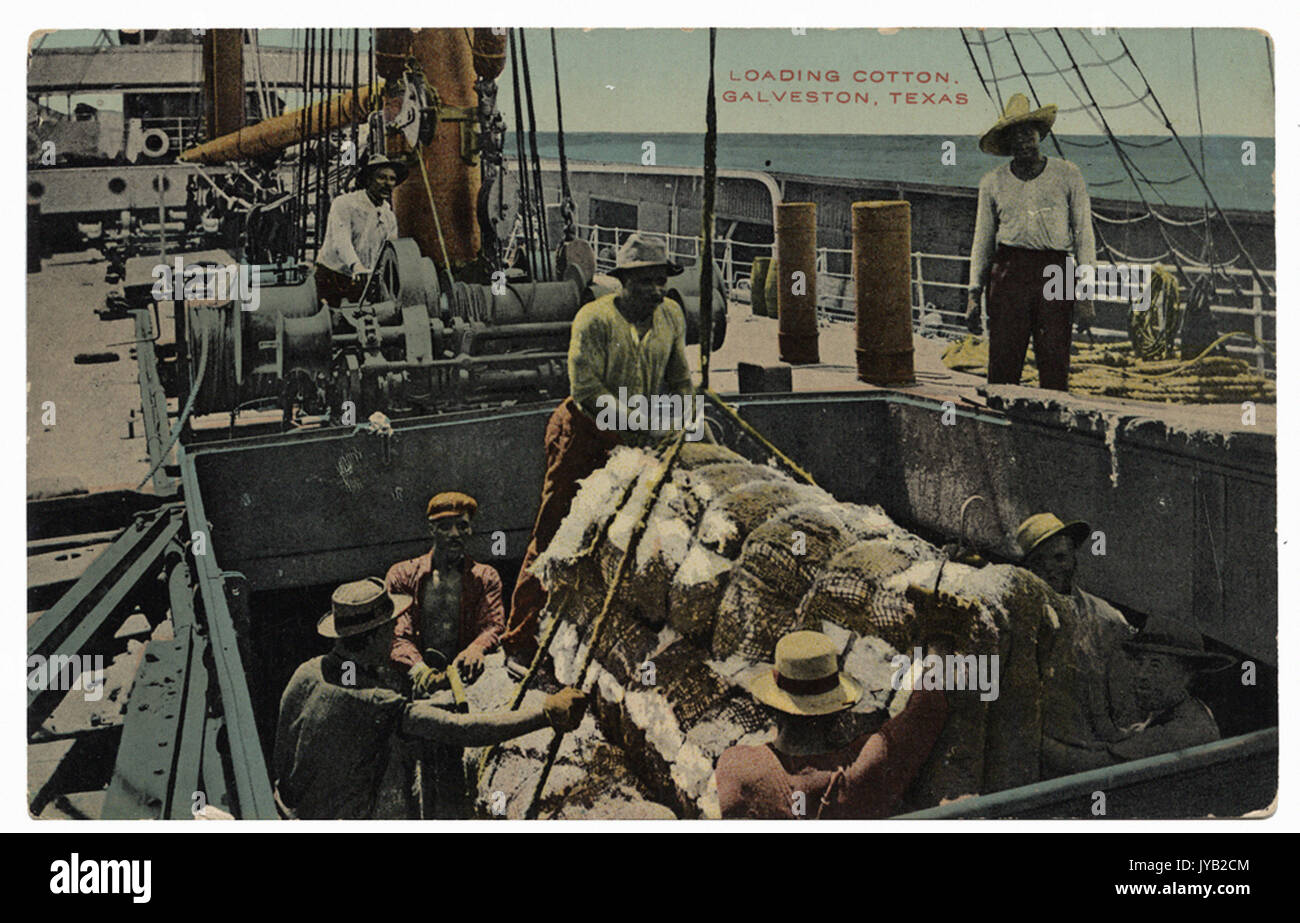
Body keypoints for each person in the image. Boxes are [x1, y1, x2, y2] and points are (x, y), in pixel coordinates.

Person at [500, 233, 695, 666]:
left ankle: (597, 635)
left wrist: (683, 417)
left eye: (661, 280)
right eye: (645, 281)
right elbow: (587, 390)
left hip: (635, 437)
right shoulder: (593, 319)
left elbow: (680, 379)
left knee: (630, 533)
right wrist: (641, 424)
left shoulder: (671, 318)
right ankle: (519, 640)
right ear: (623, 281)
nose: (656, 291)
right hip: (583, 434)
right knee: (554, 534)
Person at [273, 577, 586, 820]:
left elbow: (348, 715)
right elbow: (463, 731)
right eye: (391, 629)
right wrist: (545, 713)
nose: (395, 635)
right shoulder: (374, 702)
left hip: (286, 812)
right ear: (373, 636)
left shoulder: (308, 671)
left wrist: (424, 707)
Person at [714, 630, 948, 820]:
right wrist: (938, 647)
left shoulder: (736, 767)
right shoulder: (864, 766)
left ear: (772, 706)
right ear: (837, 711)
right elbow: (928, 708)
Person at [966, 93, 1096, 391]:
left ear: (1040, 135)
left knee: (1054, 357)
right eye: (1015, 135)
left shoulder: (1068, 173)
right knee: (1003, 358)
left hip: (1058, 269)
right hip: (1009, 269)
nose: (1023, 141)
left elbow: (1084, 235)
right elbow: (982, 242)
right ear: (1007, 143)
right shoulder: (992, 182)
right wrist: (975, 293)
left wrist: (1086, 293)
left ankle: (1053, 427)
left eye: (1029, 132)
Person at [1014, 512, 1142, 772]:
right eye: (1040, 562)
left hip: (1096, 757)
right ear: (1028, 569)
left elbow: (1127, 707)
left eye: (1060, 557)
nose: (1052, 568)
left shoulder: (1107, 620)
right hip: (1037, 757)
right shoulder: (1018, 620)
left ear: (1074, 557)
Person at [1041, 617, 1231, 773]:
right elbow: (1112, 744)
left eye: (1155, 666)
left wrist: (1030, 735)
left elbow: (1091, 765)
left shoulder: (1184, 729)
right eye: (1140, 663)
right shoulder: (1179, 712)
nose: (1142, 674)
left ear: (1186, 675)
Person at [386, 491, 504, 695]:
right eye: (445, 527)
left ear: (470, 530)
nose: (455, 534)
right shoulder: (402, 575)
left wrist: (476, 648)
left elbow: (493, 625)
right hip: (413, 676)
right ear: (431, 529)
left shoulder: (485, 577)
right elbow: (396, 633)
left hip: (465, 679)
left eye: (462, 526)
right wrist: (420, 671)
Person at [315, 154, 408, 307]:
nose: (388, 183)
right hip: (333, 278)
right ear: (368, 179)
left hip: (364, 282)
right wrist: (356, 266)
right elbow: (341, 241)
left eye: (392, 179)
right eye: (381, 178)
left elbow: (389, 252)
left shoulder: (389, 216)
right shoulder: (344, 204)